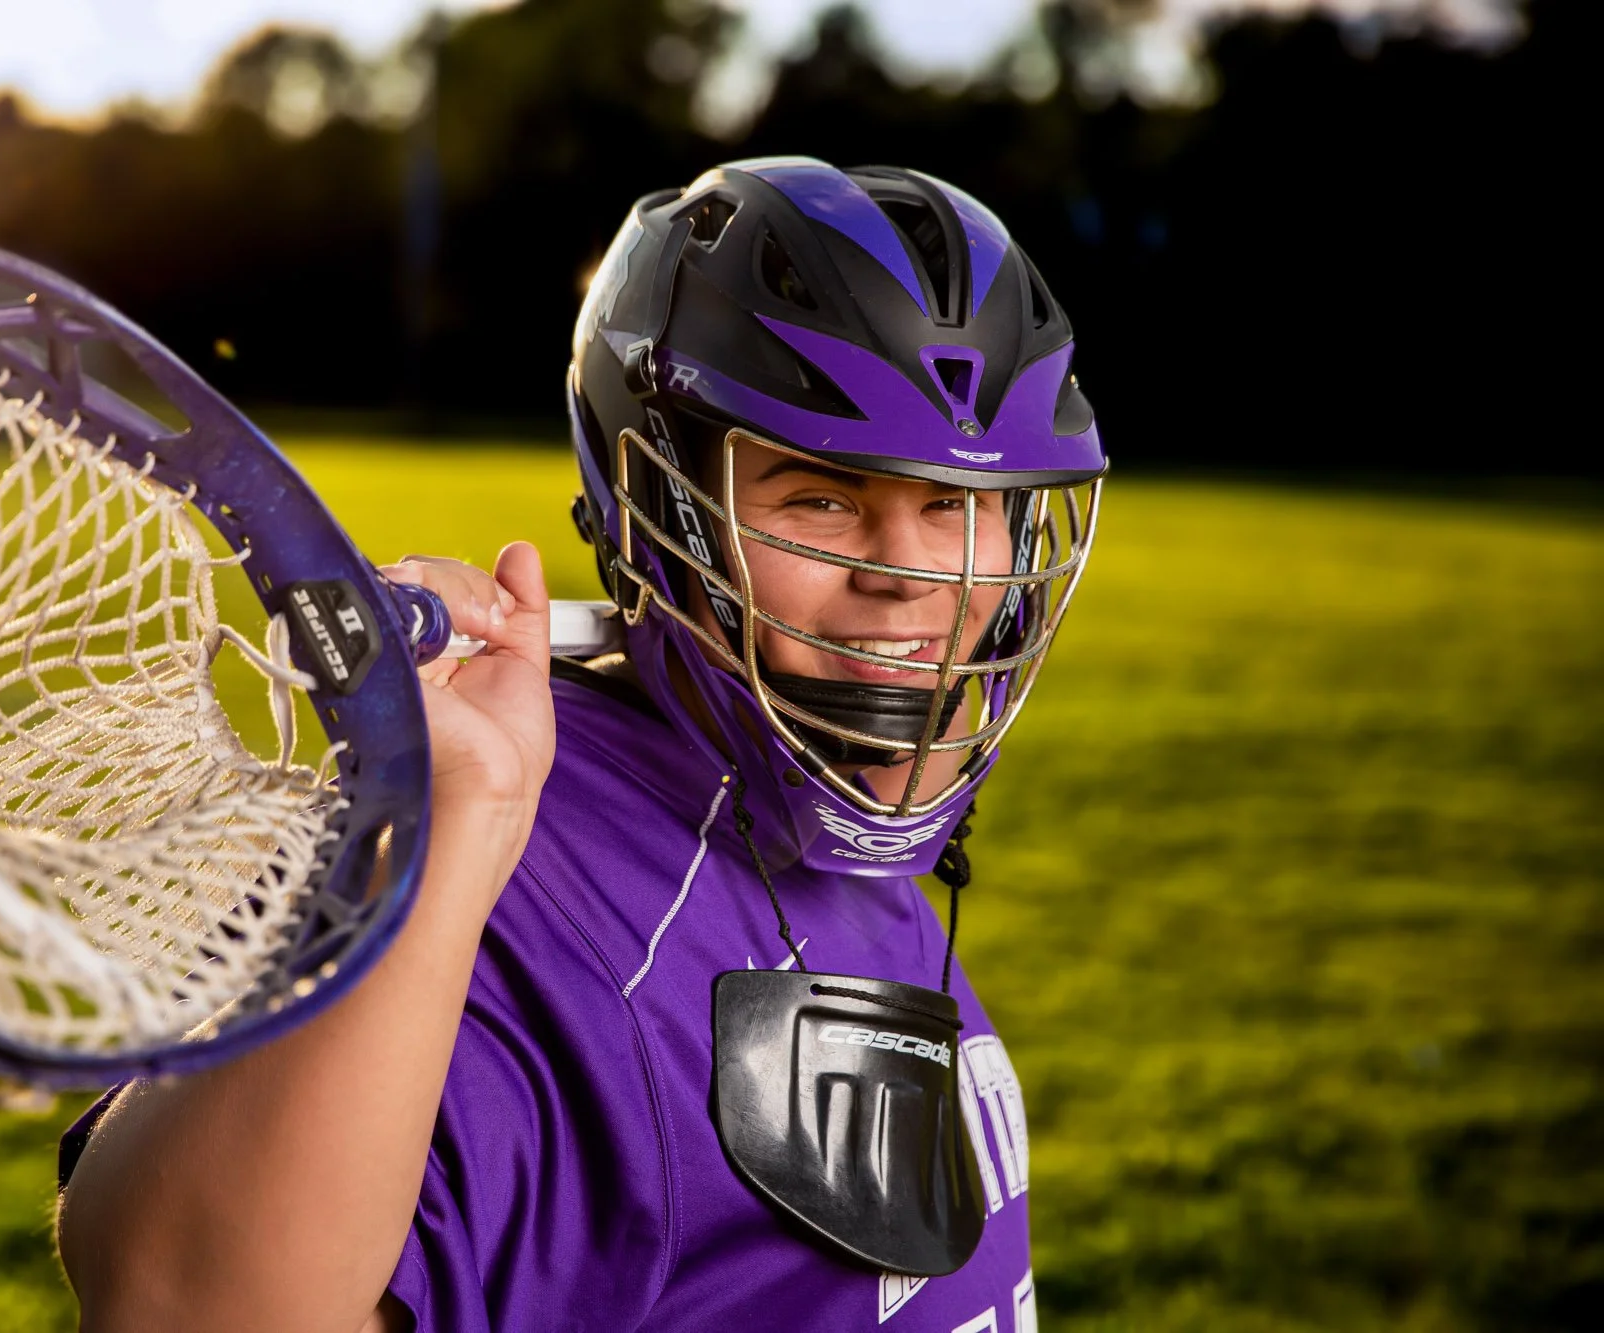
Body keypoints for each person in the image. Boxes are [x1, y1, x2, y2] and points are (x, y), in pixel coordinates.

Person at [55, 157, 1106, 1331]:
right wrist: (448, 832)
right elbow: (181, 1304)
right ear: (652, 506)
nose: (910, 578)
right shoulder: (531, 887)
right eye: (819, 498)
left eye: (957, 506)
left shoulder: (818, 820)